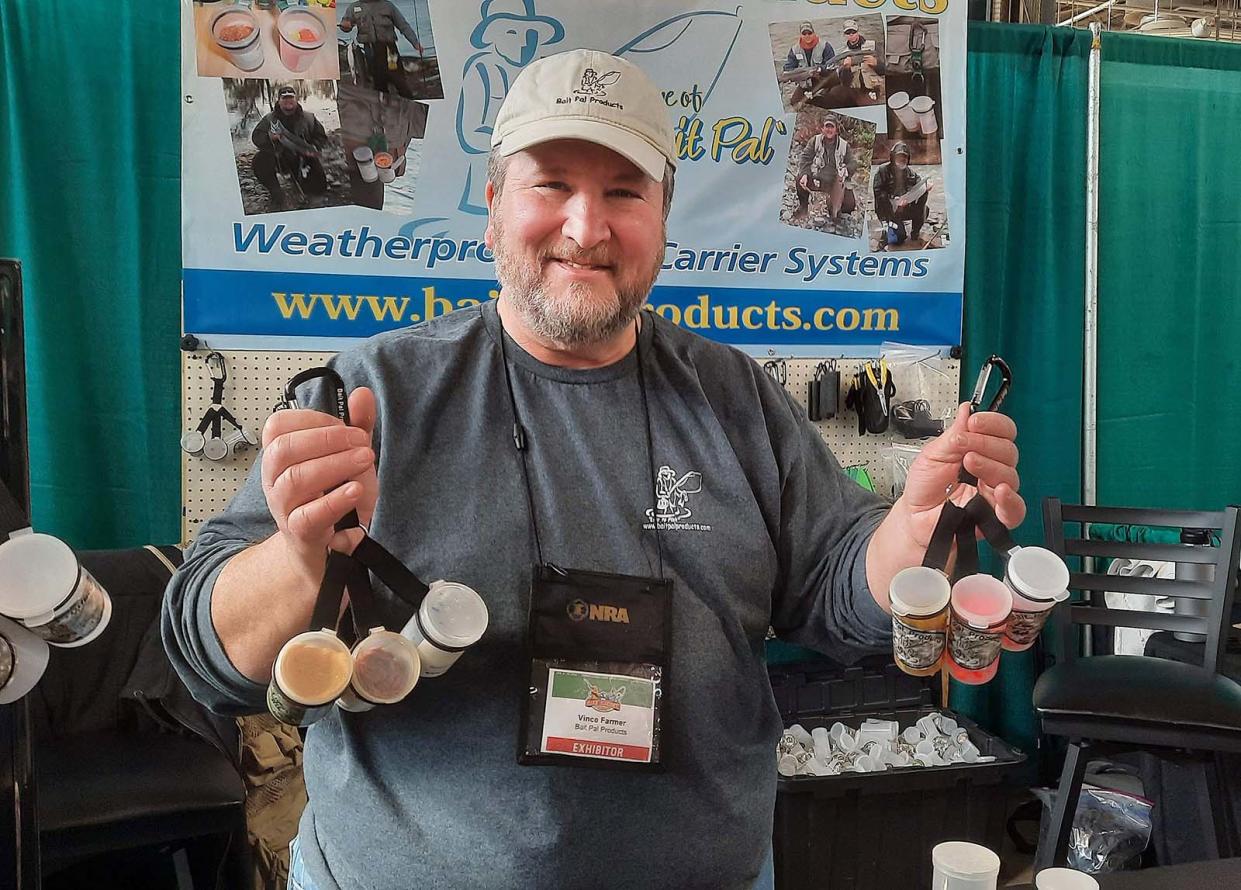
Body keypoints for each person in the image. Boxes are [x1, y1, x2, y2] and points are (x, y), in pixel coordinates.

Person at [164, 48, 1024, 890]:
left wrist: (912, 534)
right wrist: (301, 556)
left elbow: (842, 599)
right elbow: (204, 652)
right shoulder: (374, 390)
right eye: (551, 186)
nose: (586, 227)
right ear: (495, 204)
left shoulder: (735, 397)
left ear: (662, 214)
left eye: (622, 191)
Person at [251, 86, 328, 212]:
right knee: (259, 160)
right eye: (284, 98)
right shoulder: (270, 119)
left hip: (304, 157)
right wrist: (268, 137)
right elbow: (256, 137)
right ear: (279, 101)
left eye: (290, 97)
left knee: (320, 188)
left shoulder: (309, 118)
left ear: (296, 99)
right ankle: (276, 193)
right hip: (280, 158)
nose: (288, 101)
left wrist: (314, 147)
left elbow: (321, 136)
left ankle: (304, 183)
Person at [338, 0, 424, 99]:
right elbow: (345, 26)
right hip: (370, 49)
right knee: (377, 78)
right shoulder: (353, 7)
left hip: (389, 49)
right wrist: (345, 26)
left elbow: (403, 25)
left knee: (397, 76)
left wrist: (415, 43)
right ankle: (383, 103)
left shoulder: (388, 6)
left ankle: (407, 99)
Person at [802, 19, 885, 110]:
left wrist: (876, 64)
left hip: (872, 89)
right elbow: (845, 82)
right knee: (834, 94)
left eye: (853, 32)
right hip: (855, 90)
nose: (851, 35)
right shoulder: (844, 54)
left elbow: (886, 69)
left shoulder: (873, 45)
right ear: (845, 35)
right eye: (848, 33)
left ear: (857, 31)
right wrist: (846, 68)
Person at [795, 114, 858, 225]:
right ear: (822, 128)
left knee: (850, 204)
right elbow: (805, 158)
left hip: (835, 182)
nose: (829, 130)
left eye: (832, 127)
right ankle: (803, 208)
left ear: (836, 129)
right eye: (827, 126)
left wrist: (846, 170)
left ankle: (835, 211)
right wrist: (805, 174)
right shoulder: (815, 140)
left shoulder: (844, 145)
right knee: (799, 178)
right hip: (817, 179)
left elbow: (853, 163)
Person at [873, 141, 931, 246]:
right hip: (888, 211)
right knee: (898, 239)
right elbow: (878, 192)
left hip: (905, 208)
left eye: (905, 157)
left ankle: (915, 232)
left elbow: (920, 184)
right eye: (899, 156)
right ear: (892, 157)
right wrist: (894, 200)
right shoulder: (882, 170)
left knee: (925, 205)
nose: (902, 159)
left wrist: (926, 186)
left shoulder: (911, 173)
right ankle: (887, 229)